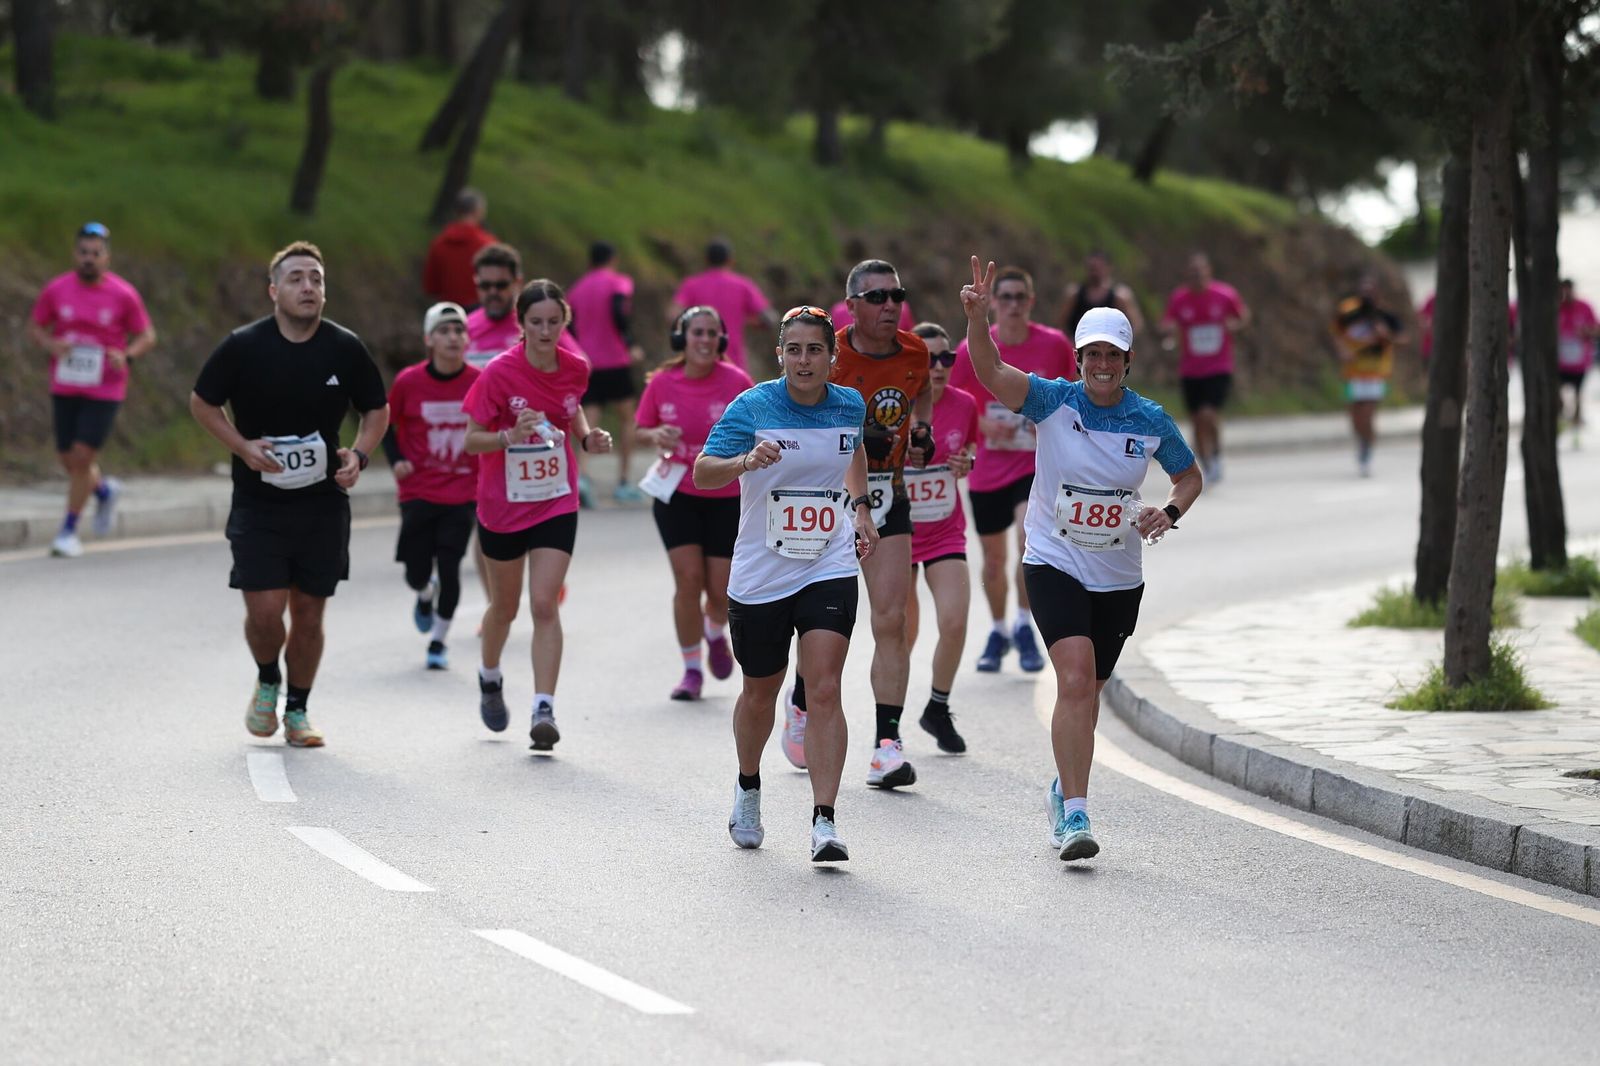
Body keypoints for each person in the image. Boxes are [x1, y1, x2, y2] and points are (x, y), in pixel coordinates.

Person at [961, 257, 1202, 862]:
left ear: (1127, 362)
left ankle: (1061, 786)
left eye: (1112, 356)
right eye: (1091, 355)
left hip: (1118, 575)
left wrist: (1167, 514)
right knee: (1072, 678)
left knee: (1087, 692)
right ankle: (1076, 815)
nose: (1101, 366)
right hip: (1052, 559)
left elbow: (1189, 477)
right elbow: (989, 372)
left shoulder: (1149, 421)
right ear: (1077, 359)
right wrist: (976, 318)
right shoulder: (1051, 401)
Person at [694, 305, 877, 862]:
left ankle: (825, 819)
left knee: (823, 687)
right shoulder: (753, 406)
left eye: (815, 350)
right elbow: (703, 471)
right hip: (761, 571)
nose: (804, 360)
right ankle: (748, 785)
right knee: (759, 691)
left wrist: (862, 508)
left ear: (832, 357)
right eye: (793, 350)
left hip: (828, 562)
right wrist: (746, 461)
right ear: (780, 355)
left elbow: (853, 450)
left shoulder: (849, 404)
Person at [190, 241, 390, 748]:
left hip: (322, 504)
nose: (309, 287)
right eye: (297, 278)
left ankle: (297, 709)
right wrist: (241, 447)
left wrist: (359, 455)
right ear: (274, 290)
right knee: (264, 611)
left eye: (317, 279)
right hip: (259, 501)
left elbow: (376, 409)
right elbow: (203, 401)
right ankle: (267, 680)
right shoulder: (243, 346)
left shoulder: (344, 348)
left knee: (308, 614)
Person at [784, 259, 933, 790]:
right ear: (852, 306)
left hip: (888, 494)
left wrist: (923, 431)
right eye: (876, 297)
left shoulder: (915, 351)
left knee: (891, 618)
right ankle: (802, 699)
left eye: (897, 294)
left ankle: (887, 746)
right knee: (826, 625)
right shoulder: (829, 353)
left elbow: (921, 390)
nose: (890, 305)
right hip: (825, 502)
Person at [462, 279, 613, 751]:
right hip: (502, 503)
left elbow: (573, 414)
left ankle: (543, 706)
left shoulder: (575, 368)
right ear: (520, 324)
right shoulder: (498, 374)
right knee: (504, 609)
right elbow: (472, 439)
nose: (545, 331)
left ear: (564, 320)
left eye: (553, 321)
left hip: (555, 496)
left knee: (544, 604)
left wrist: (588, 438)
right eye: (535, 322)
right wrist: (508, 435)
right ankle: (490, 677)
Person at [950, 266, 1076, 673]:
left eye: (1021, 297)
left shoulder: (1054, 345)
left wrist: (1047, 427)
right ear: (994, 303)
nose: (1013, 305)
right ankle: (999, 629)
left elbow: (1072, 397)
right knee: (991, 558)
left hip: (1032, 466)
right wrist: (983, 425)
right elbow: (954, 402)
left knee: (1026, 540)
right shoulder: (971, 349)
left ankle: (1024, 625)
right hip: (987, 469)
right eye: (1006, 297)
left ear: (1031, 302)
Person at [635, 306, 754, 700]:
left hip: (726, 497)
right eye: (697, 332)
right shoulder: (663, 383)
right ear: (682, 338)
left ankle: (714, 631)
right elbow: (639, 430)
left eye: (711, 334)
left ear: (721, 340)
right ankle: (690, 671)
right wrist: (656, 435)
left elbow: (759, 430)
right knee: (687, 582)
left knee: (719, 592)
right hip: (677, 495)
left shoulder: (737, 381)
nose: (704, 340)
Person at [27, 221, 157, 558]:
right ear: (75, 254)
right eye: (83, 252)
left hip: (105, 387)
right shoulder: (57, 290)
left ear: (106, 257)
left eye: (95, 254)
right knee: (69, 460)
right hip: (66, 381)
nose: (89, 259)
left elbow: (147, 336)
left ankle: (68, 530)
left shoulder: (123, 294)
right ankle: (103, 491)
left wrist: (125, 355)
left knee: (84, 456)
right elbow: (36, 327)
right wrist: (51, 344)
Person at [382, 302, 480, 670]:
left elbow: (492, 427)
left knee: (451, 564)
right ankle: (425, 593)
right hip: (418, 490)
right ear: (429, 339)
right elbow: (385, 427)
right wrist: (397, 462)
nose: (453, 337)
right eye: (444, 331)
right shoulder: (409, 381)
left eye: (459, 330)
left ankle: (438, 641)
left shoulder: (479, 381)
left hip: (463, 491)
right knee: (415, 569)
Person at [903, 323, 977, 754]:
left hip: (945, 528)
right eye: (928, 359)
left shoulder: (965, 404)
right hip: (897, 531)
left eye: (946, 358)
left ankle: (937, 706)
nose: (938, 367)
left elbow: (969, 448)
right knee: (901, 631)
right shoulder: (894, 405)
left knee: (954, 620)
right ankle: (887, 721)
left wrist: (967, 459)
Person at [1159, 252, 1248, 483]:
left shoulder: (1225, 295)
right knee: (1197, 419)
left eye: (1201, 272)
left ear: (1209, 272)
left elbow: (1242, 316)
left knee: (1209, 414)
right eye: (1192, 273)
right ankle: (1205, 462)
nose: (1197, 277)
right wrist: (1169, 330)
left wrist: (1233, 325)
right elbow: (1167, 321)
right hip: (1190, 369)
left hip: (1219, 366)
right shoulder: (1180, 298)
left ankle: (1216, 454)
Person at [570, 241, 647, 502]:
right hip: (615, 359)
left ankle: (581, 477)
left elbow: (569, 326)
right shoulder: (618, 282)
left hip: (587, 362)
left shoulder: (577, 289)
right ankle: (623, 482)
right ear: (612, 259)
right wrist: (630, 343)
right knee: (627, 419)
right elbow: (617, 311)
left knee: (589, 420)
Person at [1331, 276, 1404, 477]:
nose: (1366, 296)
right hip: (1352, 373)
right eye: (1362, 291)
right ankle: (1363, 441)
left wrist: (1386, 336)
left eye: (1370, 292)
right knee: (1354, 416)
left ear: (1377, 293)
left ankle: (1367, 449)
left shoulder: (1386, 316)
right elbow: (1335, 334)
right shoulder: (1348, 311)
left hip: (1376, 373)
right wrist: (1342, 351)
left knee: (1368, 413)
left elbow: (1402, 339)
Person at [667, 239, 778, 372]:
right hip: (733, 365)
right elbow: (770, 318)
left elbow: (672, 315)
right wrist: (747, 321)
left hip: (698, 363)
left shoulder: (691, 285)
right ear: (730, 260)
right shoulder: (742, 286)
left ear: (706, 260)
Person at [424, 188, 497, 309]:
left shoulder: (439, 243)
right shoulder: (488, 245)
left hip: (448, 313)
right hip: (481, 312)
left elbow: (431, 287)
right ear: (478, 211)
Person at [1061, 249, 1144, 338]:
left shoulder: (1120, 296)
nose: (1094, 272)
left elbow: (1136, 324)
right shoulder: (1075, 294)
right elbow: (1061, 322)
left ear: (1108, 268)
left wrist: (1121, 343)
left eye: (1098, 268)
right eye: (1091, 268)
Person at [1558, 278, 1597, 440]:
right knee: (1557, 394)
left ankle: (1576, 429)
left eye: (1569, 290)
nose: (1566, 294)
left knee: (1578, 396)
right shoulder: (1555, 308)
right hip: (1559, 364)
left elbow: (1596, 329)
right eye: (1563, 291)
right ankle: (1561, 420)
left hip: (1580, 363)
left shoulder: (1584, 307)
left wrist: (1586, 331)